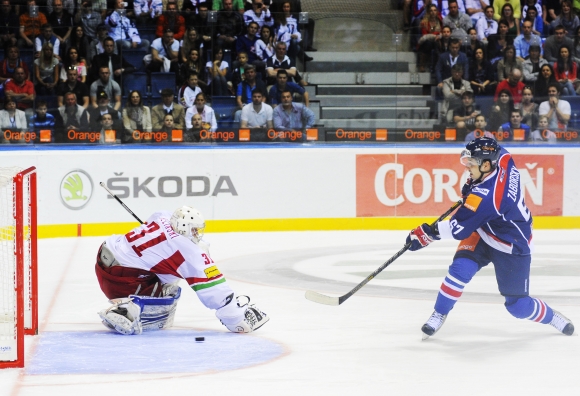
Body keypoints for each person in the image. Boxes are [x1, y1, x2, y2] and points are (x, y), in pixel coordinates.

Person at [409, 137, 574, 339]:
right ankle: (439, 313)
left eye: (472, 163)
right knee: (460, 270)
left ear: (486, 165)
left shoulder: (489, 198)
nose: (468, 167)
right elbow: (494, 147)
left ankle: (552, 317)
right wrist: (472, 184)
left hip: (511, 245)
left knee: (518, 306)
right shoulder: (503, 158)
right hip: (485, 230)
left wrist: (425, 234)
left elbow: (457, 229)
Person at [95, 206, 269, 335]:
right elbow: (213, 289)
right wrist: (237, 319)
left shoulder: (163, 216)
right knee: (168, 292)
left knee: (165, 270)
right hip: (119, 280)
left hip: (105, 255)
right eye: (194, 230)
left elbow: (151, 224)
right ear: (185, 227)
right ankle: (128, 310)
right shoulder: (188, 252)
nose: (197, 233)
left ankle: (130, 304)